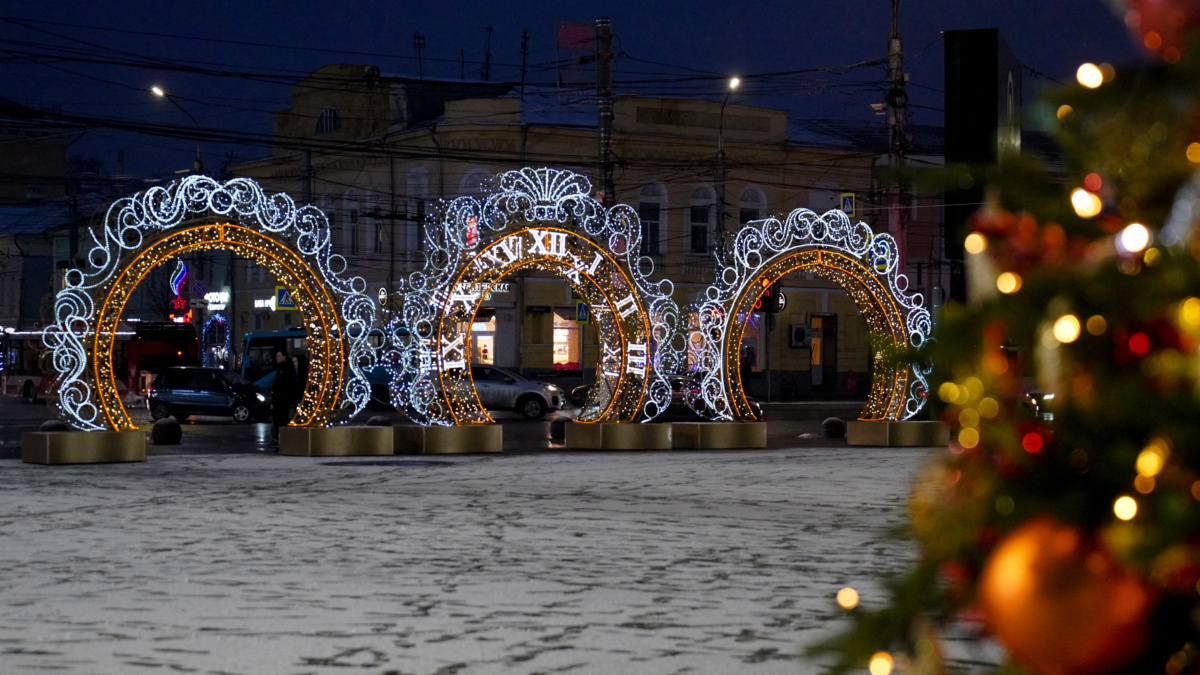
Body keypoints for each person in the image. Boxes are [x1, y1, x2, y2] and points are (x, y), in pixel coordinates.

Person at [270, 350, 299, 442]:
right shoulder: (281, 368)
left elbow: (287, 385)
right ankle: (279, 437)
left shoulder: (287, 369)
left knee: (281, 419)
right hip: (279, 399)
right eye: (276, 356)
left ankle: (281, 438)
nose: (277, 358)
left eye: (279, 356)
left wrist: (281, 396)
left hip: (283, 400)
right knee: (278, 419)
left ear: (284, 356)